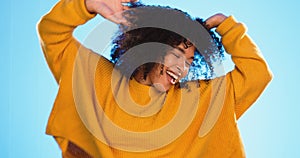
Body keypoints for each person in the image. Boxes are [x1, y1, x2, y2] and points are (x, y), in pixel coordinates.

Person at [37, 0, 272, 157]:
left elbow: (257, 74)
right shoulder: (98, 76)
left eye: (189, 61)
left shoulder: (198, 99)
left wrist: (228, 26)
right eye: (177, 54)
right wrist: (86, 4)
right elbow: (51, 33)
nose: (182, 68)